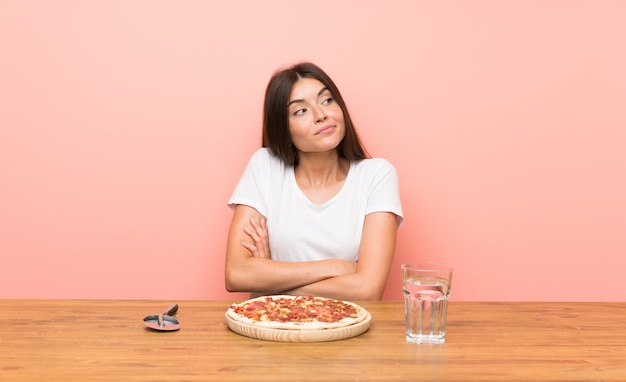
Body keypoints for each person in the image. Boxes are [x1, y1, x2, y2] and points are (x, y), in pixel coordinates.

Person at [225, 62, 403, 301]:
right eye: (301, 111)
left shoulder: (377, 175)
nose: (321, 115)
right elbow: (237, 274)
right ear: (282, 128)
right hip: (274, 326)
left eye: (327, 100)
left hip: (346, 330)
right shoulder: (265, 166)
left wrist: (269, 285)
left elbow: (368, 290)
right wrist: (336, 267)